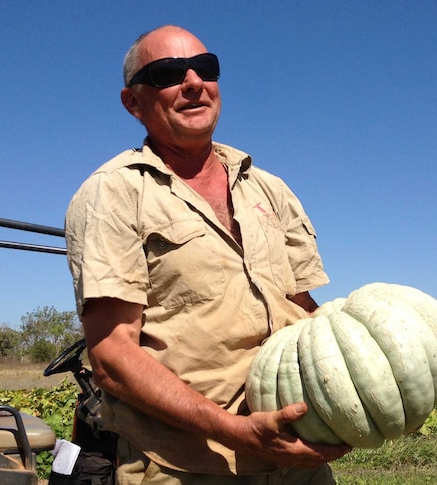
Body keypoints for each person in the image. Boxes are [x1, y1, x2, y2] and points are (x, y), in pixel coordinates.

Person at [65, 25, 357, 484]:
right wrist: (235, 431)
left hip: (299, 458)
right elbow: (113, 358)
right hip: (187, 466)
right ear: (133, 103)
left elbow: (302, 310)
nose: (194, 82)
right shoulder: (113, 193)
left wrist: (394, 367)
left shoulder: (268, 187)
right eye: (166, 73)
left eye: (205, 68)